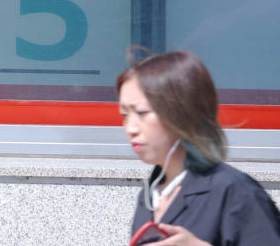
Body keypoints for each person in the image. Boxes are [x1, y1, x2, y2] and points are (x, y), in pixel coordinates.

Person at [118, 50, 280, 245]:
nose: (130, 128)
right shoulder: (150, 196)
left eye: (142, 113)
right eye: (124, 114)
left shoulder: (234, 191)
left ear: (182, 111)